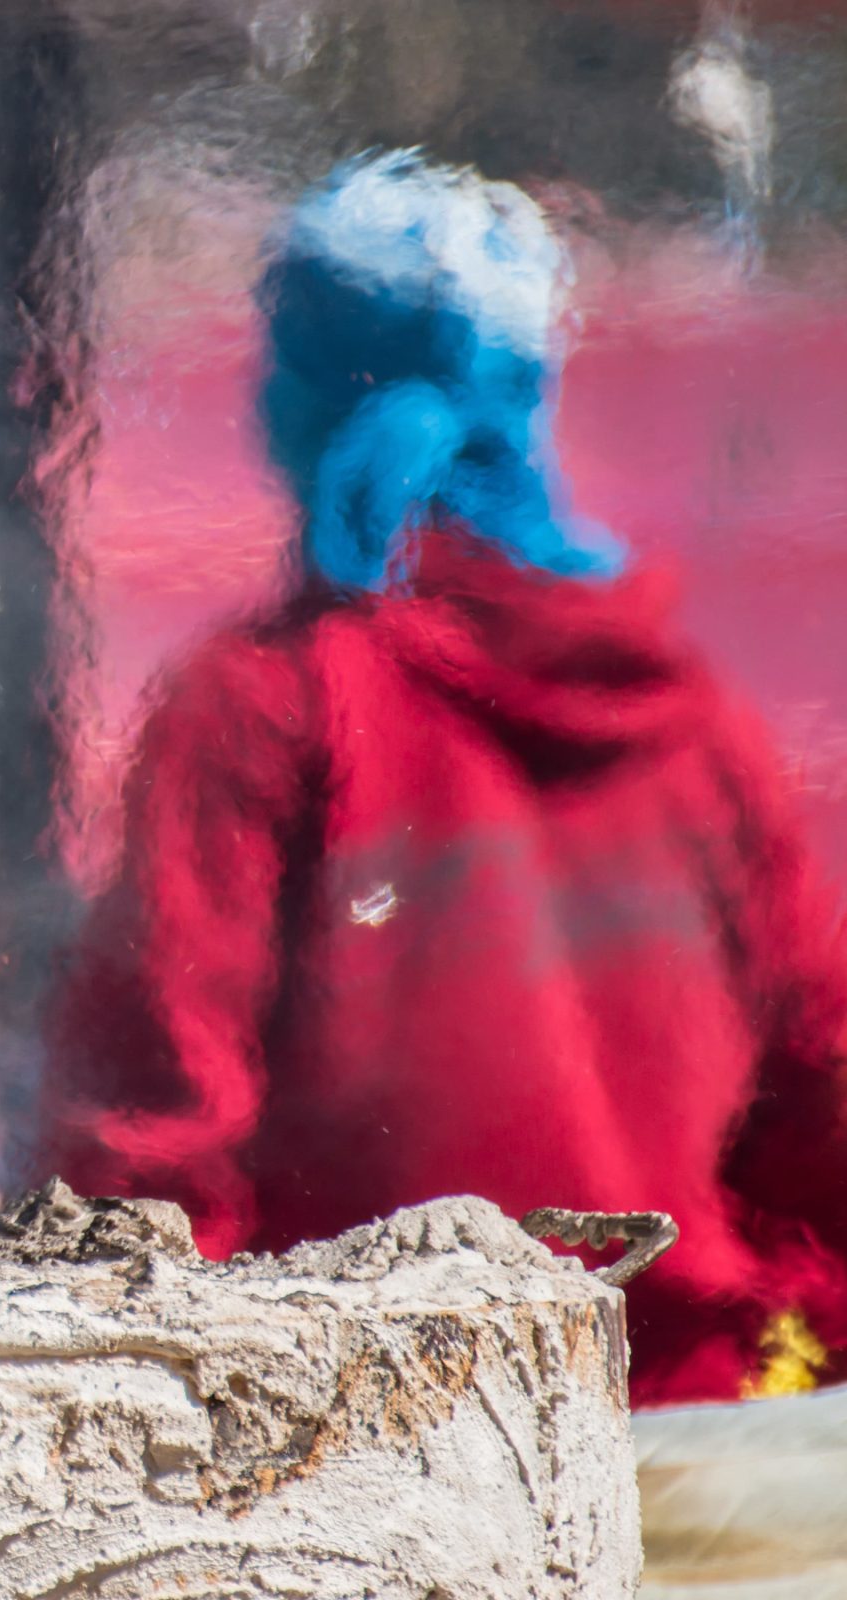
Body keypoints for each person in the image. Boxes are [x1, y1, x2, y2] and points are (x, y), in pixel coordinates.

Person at [44, 150, 847, 1406]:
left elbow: (152, 1132)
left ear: (298, 395)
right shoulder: (692, 724)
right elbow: (821, 1101)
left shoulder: (265, 701)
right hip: (678, 1453)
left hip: (369, 1453)